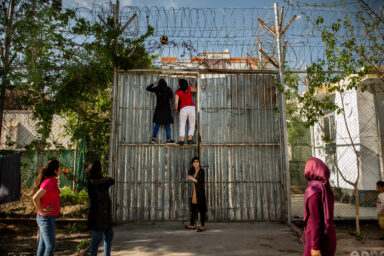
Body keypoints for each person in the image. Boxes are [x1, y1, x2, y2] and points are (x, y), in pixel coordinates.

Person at [303, 157, 336, 256]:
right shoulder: (326, 189)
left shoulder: (313, 191)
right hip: (328, 236)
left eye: (306, 167)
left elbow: (315, 220)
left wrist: (315, 246)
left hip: (317, 240)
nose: (305, 170)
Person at [31, 160, 62, 256]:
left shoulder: (50, 181)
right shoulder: (49, 182)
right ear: (55, 171)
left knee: (43, 246)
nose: (61, 169)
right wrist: (41, 211)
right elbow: (35, 198)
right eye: (60, 167)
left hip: (46, 218)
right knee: (50, 246)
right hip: (46, 218)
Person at [86, 160, 115, 256]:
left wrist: (106, 178)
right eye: (101, 167)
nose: (103, 168)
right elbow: (111, 181)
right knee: (96, 240)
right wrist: (108, 178)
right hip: (97, 216)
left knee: (109, 236)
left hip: (105, 215)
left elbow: (109, 181)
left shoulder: (99, 181)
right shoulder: (92, 182)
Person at [146, 79, 175, 144]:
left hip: (159, 109)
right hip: (166, 109)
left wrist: (153, 83)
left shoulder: (157, 89)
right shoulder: (168, 89)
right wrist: (171, 91)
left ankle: (153, 139)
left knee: (157, 124)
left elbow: (148, 88)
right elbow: (171, 97)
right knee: (167, 124)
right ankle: (168, 140)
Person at [185, 157, 207, 232]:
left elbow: (200, 182)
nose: (195, 163)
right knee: (193, 209)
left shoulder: (201, 171)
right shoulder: (192, 171)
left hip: (200, 193)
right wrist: (191, 177)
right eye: (194, 162)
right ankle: (191, 225)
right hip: (194, 192)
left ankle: (203, 226)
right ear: (192, 163)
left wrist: (192, 178)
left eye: (197, 162)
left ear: (199, 163)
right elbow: (189, 176)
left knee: (202, 210)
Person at [175, 79, 197, 146]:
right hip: (191, 108)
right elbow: (195, 89)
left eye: (178, 83)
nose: (177, 84)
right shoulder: (189, 88)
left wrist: (176, 109)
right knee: (192, 124)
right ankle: (190, 140)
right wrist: (192, 83)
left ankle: (182, 141)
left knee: (182, 125)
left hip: (183, 108)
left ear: (180, 84)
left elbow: (176, 103)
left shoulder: (178, 92)